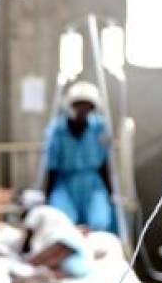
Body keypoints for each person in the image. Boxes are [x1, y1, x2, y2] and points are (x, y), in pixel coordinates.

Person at [42, 81, 116, 231]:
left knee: (100, 221)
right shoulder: (57, 130)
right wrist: (46, 197)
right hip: (65, 183)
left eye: (87, 106)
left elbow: (104, 163)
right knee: (63, 222)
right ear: (69, 105)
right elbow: (51, 168)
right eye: (78, 105)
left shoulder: (99, 127)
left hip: (93, 184)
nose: (82, 110)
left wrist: (111, 193)